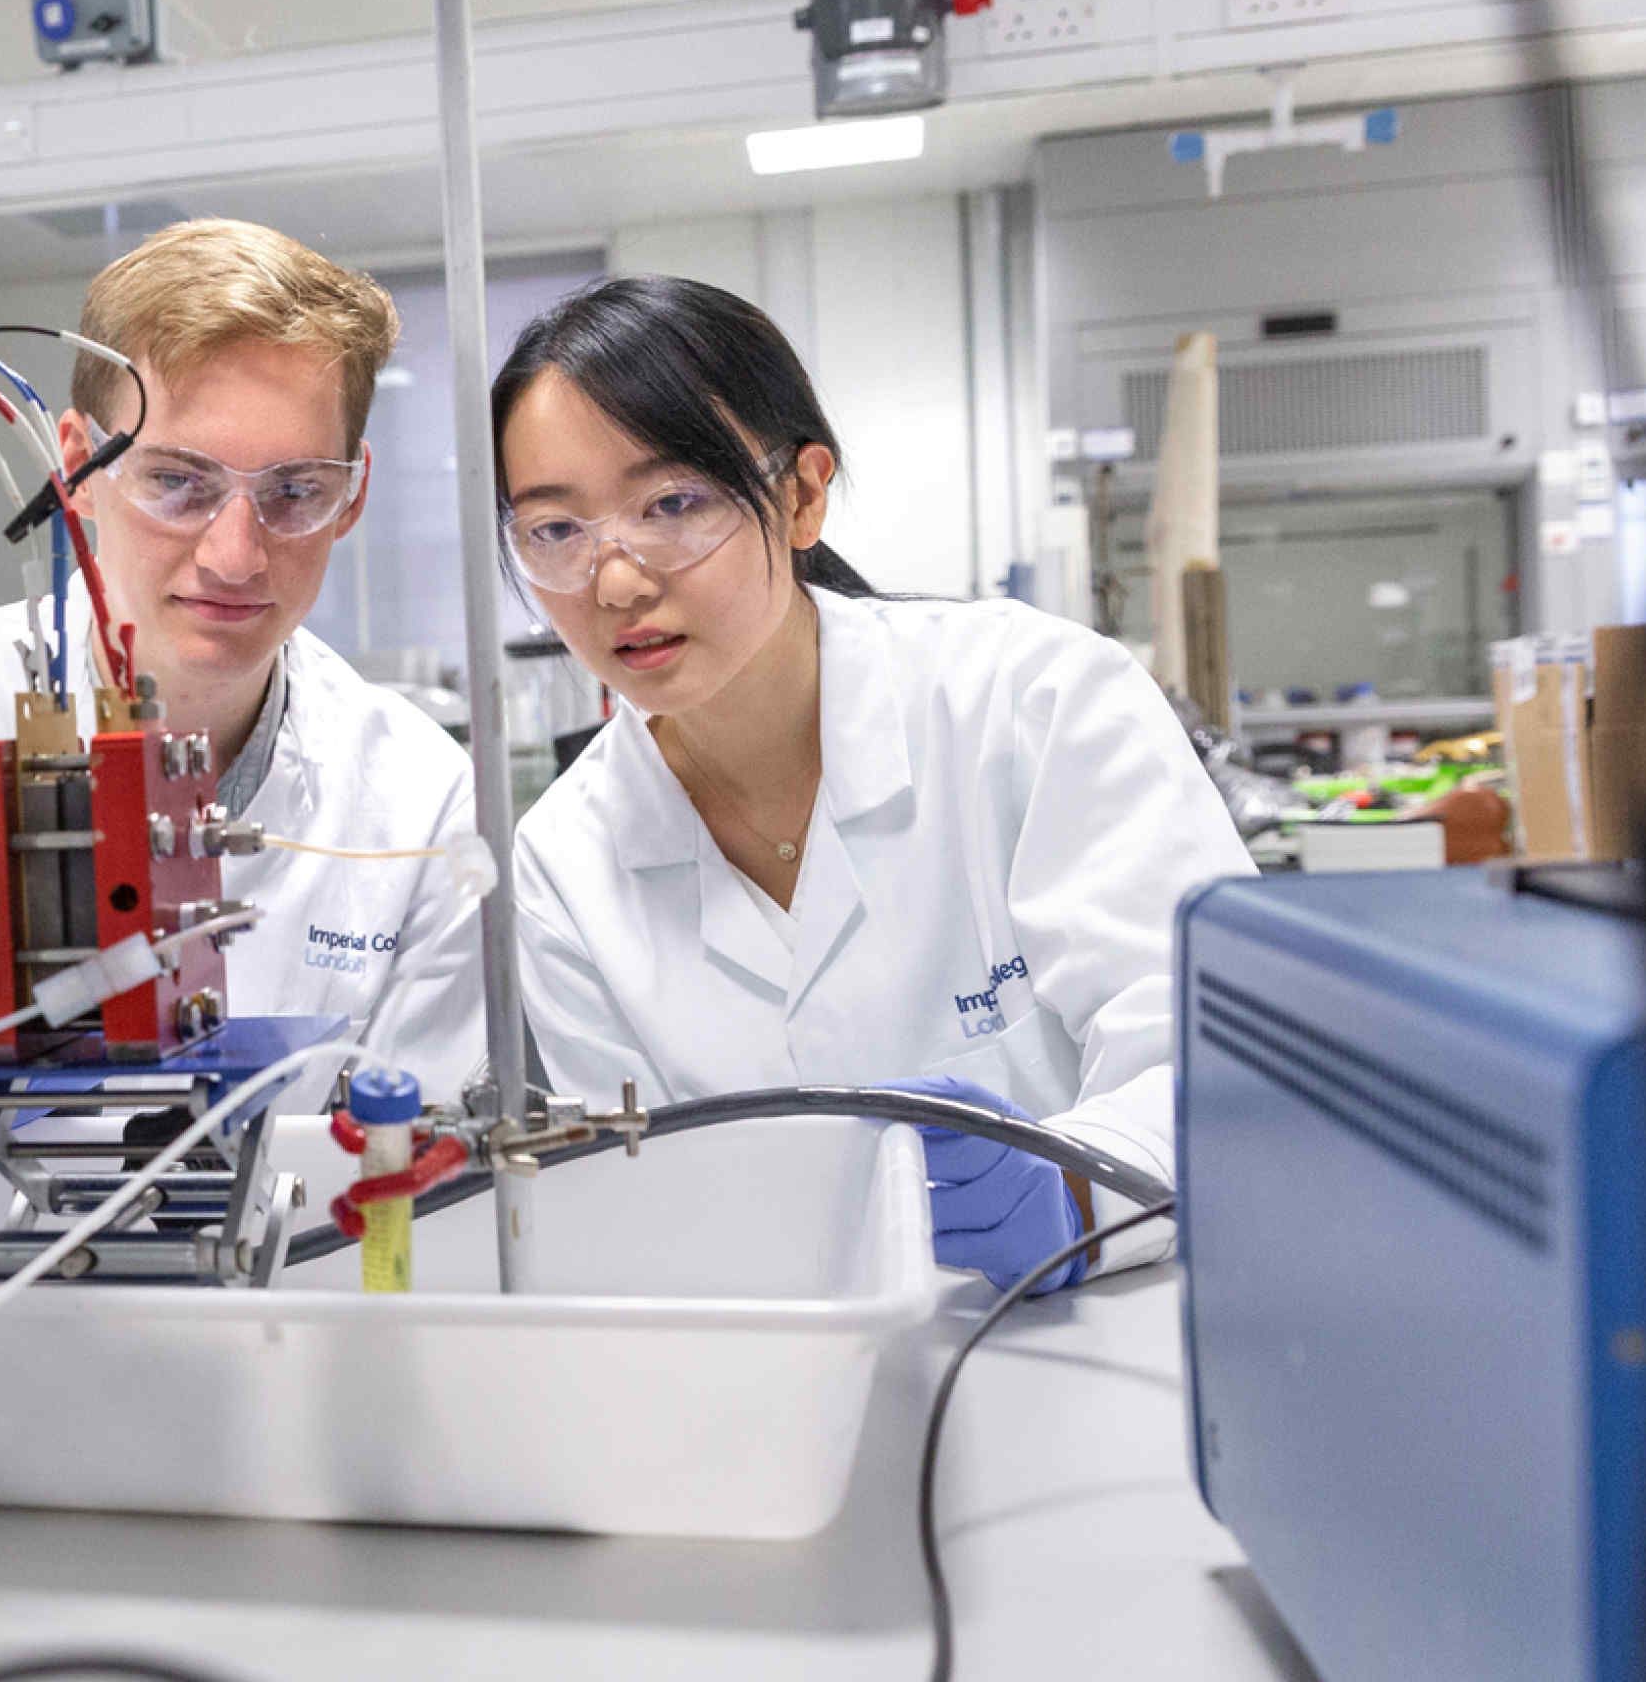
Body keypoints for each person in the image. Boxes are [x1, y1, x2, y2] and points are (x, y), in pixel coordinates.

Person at [0, 221, 490, 1243]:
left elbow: (421, 1174)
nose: (233, 554)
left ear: (350, 496)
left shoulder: (415, 791)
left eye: (292, 492)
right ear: (79, 468)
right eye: (177, 481)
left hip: (301, 1337)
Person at [495, 276, 1251, 1291]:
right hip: (779, 1395)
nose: (615, 581)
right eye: (555, 531)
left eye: (671, 503)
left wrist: (1075, 1195)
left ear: (801, 492)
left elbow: (1218, 1070)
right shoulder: (564, 861)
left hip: (1105, 1343)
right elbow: (645, 1213)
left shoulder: (1030, 701)